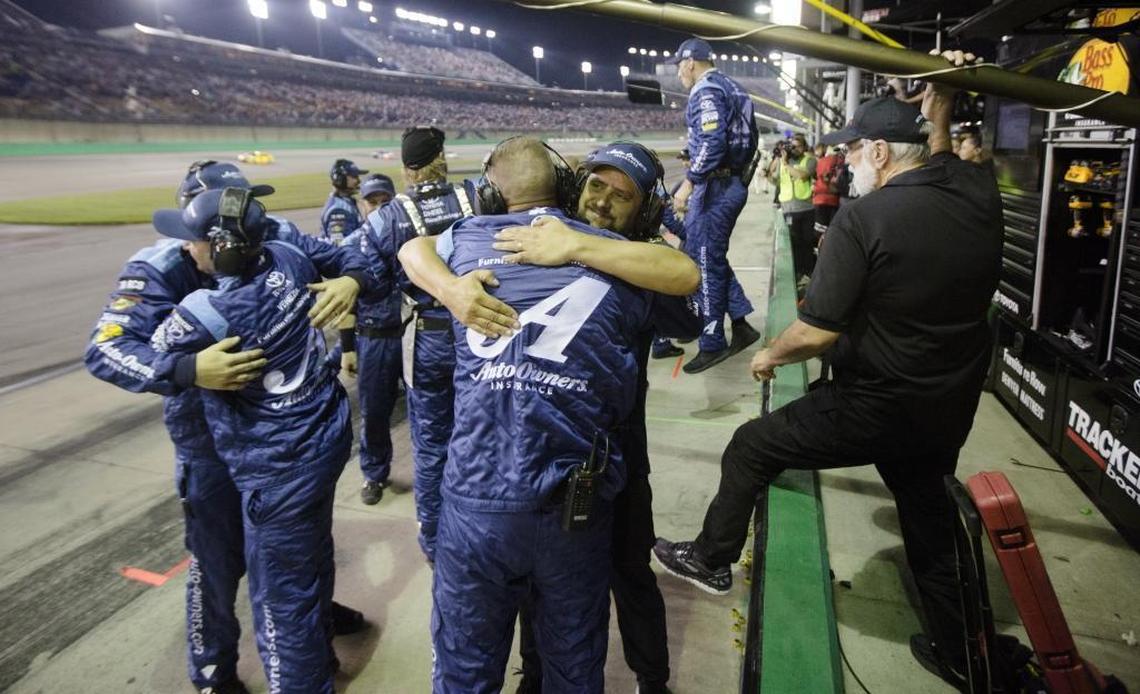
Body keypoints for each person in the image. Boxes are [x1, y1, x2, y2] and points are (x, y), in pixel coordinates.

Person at [653, 51, 1004, 693]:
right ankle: (962, 650)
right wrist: (942, 99)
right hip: (947, 403)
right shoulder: (975, 189)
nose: (839, 162)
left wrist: (768, 354)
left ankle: (709, 557)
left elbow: (818, 331)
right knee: (927, 511)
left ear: (878, 152)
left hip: (877, 405)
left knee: (750, 445)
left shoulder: (863, 219)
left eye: (849, 152)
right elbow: (943, 149)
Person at [402, 141, 699, 694]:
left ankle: (651, 680)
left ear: (645, 210)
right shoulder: (497, 239)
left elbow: (686, 278)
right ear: (571, 185)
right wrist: (451, 290)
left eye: (622, 196)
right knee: (569, 644)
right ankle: (535, 674)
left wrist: (578, 245)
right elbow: (412, 248)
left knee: (627, 577)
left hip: (588, 467)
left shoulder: (632, 259)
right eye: (596, 187)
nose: (605, 202)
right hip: (559, 489)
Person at [84, 162, 371, 694]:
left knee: (294, 550)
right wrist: (189, 370)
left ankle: (311, 627)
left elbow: (349, 255)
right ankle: (213, 664)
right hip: (207, 439)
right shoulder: (159, 265)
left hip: (274, 437)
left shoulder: (273, 234)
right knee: (216, 561)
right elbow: (104, 351)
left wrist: (350, 280)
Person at [356, 125, 474, 560]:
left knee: (430, 442)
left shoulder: (385, 219)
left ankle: (435, 540)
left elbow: (376, 287)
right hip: (480, 332)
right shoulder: (477, 197)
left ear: (406, 170)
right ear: (442, 158)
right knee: (484, 430)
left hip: (426, 338)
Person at [666, 37, 761, 374]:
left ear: (691, 62)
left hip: (716, 186)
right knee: (709, 255)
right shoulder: (729, 85)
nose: (679, 73)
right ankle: (741, 322)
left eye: (680, 66)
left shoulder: (705, 89)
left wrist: (690, 181)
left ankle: (712, 340)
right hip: (728, 181)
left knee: (704, 260)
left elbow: (713, 140)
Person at [338, 173, 403, 505]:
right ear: (361, 205)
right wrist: (347, 347)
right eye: (372, 202)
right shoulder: (350, 246)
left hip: (409, 337)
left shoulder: (411, 237)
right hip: (373, 339)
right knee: (375, 413)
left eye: (384, 202)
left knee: (426, 413)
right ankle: (374, 473)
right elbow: (345, 302)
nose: (378, 207)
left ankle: (435, 476)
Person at [775, 133, 818, 285]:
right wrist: (775, 163)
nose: (794, 149)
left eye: (797, 146)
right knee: (793, 242)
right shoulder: (784, 161)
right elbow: (775, 180)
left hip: (806, 209)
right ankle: (796, 273)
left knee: (806, 243)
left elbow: (802, 175)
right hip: (788, 210)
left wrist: (786, 165)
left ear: (804, 147)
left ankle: (808, 272)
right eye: (792, 146)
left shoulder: (810, 160)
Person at [321, 158, 369, 245]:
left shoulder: (347, 202)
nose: (358, 180)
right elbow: (340, 245)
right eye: (354, 177)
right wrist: (368, 228)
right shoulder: (338, 210)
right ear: (340, 179)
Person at [812, 143, 844, 244]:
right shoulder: (841, 161)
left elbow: (818, 176)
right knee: (832, 229)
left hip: (820, 199)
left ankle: (819, 251)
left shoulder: (821, 162)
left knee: (820, 230)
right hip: (834, 199)